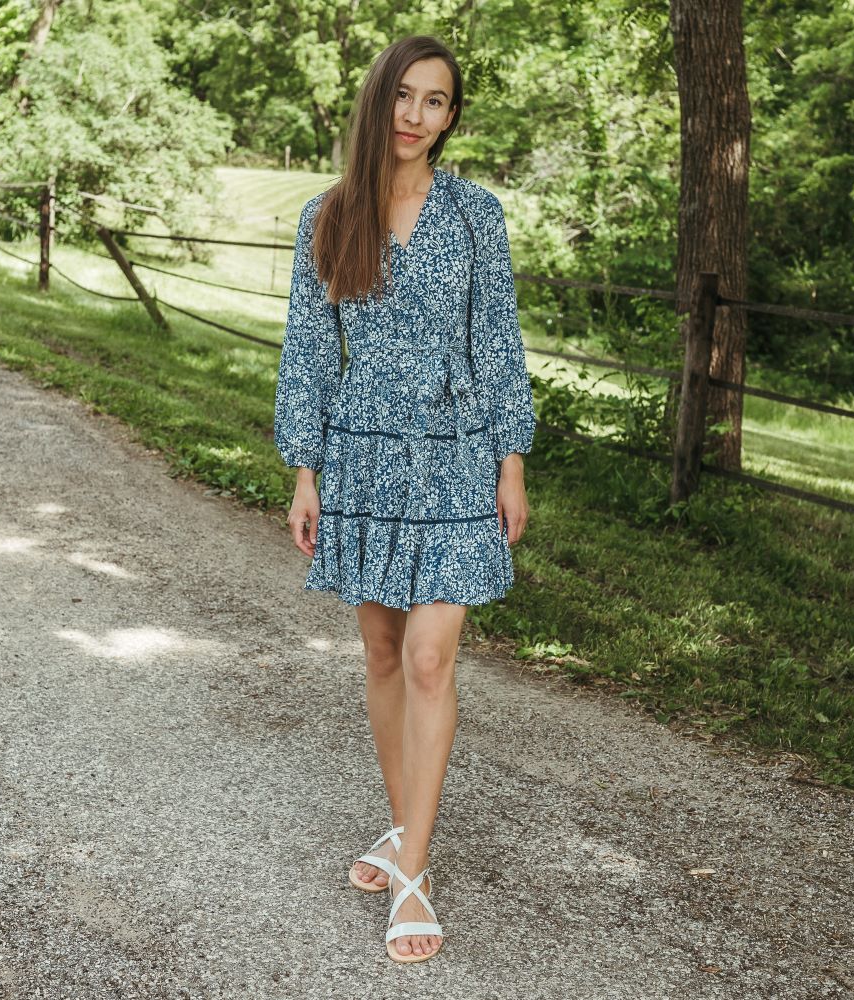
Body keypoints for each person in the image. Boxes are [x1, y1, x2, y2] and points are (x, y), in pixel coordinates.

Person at [273, 34, 535, 964]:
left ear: (451, 116)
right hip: (361, 463)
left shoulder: (475, 214)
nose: (419, 116)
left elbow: (498, 341)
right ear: (379, 100)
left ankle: (412, 868)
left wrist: (512, 460)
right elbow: (308, 353)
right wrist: (304, 469)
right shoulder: (329, 215)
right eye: (406, 97)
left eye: (438, 102)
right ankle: (403, 827)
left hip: (460, 457)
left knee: (431, 657)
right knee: (383, 652)